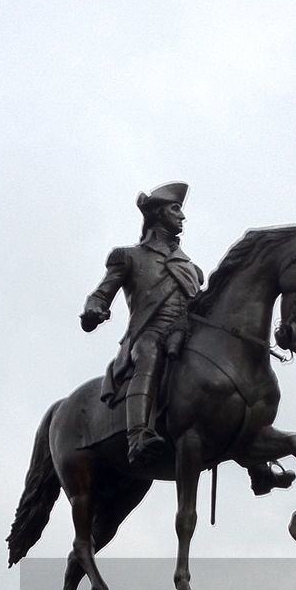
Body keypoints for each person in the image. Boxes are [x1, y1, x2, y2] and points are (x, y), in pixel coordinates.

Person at [81, 182, 203, 467]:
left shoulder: (191, 269)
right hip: (148, 334)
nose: (182, 216)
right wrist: (94, 309)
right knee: (149, 354)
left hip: (186, 335)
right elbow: (101, 294)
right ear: (158, 214)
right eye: (175, 209)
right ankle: (138, 436)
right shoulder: (129, 257)